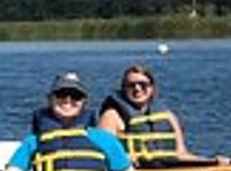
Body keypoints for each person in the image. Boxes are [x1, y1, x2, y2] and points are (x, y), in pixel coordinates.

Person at [0, 73, 158, 171]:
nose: (68, 100)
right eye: (61, 94)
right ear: (50, 99)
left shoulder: (103, 139)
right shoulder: (33, 142)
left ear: (84, 102)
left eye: (75, 96)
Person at [95, 64, 224, 165]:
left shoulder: (169, 117)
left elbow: (181, 155)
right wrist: (124, 160)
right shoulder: (111, 116)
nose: (137, 89)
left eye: (143, 84)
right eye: (131, 85)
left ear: (152, 88)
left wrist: (211, 161)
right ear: (124, 89)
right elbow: (102, 153)